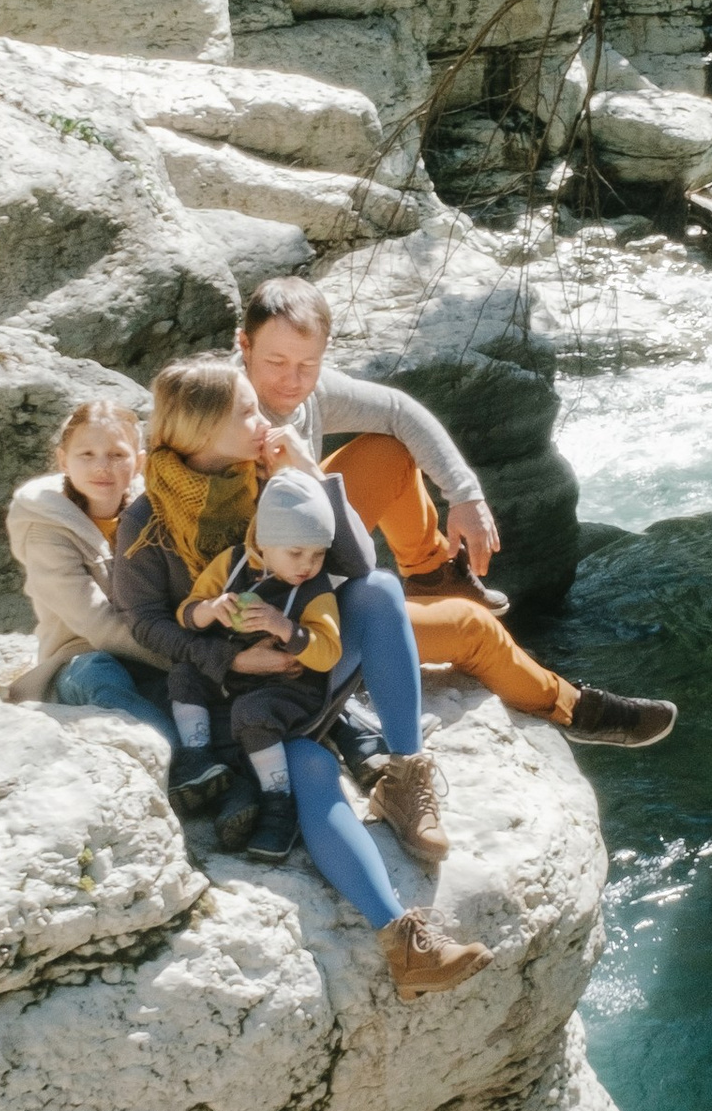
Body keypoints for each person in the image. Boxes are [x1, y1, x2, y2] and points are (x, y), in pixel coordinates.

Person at [113, 356, 493, 1000]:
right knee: (312, 771)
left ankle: (404, 774)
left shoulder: (268, 480)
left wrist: (304, 472)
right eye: (249, 412)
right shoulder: (145, 519)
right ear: (202, 430)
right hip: (238, 701)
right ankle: (405, 945)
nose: (266, 419)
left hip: (309, 660)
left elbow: (355, 562)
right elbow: (145, 624)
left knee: (376, 591)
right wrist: (228, 659)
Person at [235, 276, 675, 759]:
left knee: (387, 450)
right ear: (243, 345)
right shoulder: (225, 421)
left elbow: (399, 410)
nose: (292, 381)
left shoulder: (304, 393)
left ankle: (430, 576)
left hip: (311, 553)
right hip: (282, 611)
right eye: (275, 362)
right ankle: (574, 710)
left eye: (308, 364)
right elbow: (303, 561)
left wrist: (465, 496)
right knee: (473, 629)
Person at [171, 467, 366, 872]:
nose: (307, 565)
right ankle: (199, 760)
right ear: (263, 539)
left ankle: (279, 804)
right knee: (184, 675)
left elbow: (328, 652)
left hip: (290, 687)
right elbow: (187, 612)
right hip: (238, 673)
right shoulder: (232, 565)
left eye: (317, 555)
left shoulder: (314, 589)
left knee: (252, 713)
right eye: (295, 553)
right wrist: (210, 610)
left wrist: (286, 628)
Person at [5, 400, 206, 780]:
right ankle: (185, 765)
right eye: (87, 454)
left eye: (117, 454)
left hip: (155, 648)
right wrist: (190, 657)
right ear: (63, 460)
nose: (102, 467)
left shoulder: (152, 511)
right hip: (81, 656)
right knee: (99, 674)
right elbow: (97, 623)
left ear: (140, 462)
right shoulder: (44, 526)